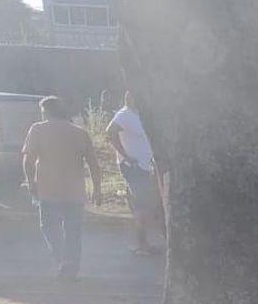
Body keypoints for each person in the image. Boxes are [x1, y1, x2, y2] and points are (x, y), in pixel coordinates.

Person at [21, 96, 102, 280]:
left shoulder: (38, 129)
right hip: (75, 191)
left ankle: (62, 259)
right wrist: (97, 189)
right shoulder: (80, 133)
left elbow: (28, 160)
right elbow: (93, 164)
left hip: (48, 190)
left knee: (49, 227)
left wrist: (31, 182)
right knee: (73, 230)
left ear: (46, 112)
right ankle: (71, 266)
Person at [105, 90, 162, 255]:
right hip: (135, 167)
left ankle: (145, 242)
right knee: (142, 205)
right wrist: (126, 156)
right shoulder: (124, 115)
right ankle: (140, 244)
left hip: (148, 166)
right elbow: (110, 133)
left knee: (149, 204)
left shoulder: (140, 115)